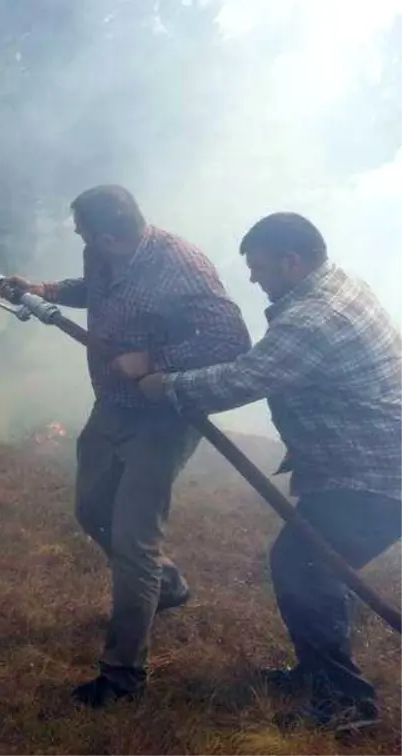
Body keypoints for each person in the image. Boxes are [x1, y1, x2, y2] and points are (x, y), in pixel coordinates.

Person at [138, 212, 402, 731]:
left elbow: (246, 379)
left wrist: (166, 384)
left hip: (374, 475)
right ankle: (317, 674)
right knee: (312, 568)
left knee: (305, 568)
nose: (254, 279)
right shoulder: (340, 285)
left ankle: (347, 702)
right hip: (371, 463)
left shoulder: (315, 318)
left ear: (292, 260)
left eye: (259, 269)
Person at [1, 184, 251, 708]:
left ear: (112, 233)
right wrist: (44, 289)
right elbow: (95, 288)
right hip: (111, 405)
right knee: (92, 509)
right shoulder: (102, 254)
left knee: (134, 543)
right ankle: (169, 586)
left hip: (162, 416)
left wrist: (152, 359)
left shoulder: (181, 264)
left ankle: (122, 676)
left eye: (83, 232)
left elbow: (230, 339)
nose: (78, 240)